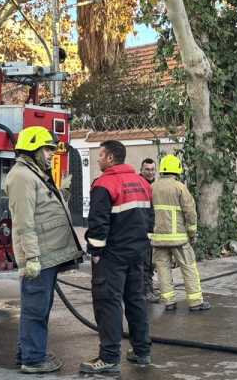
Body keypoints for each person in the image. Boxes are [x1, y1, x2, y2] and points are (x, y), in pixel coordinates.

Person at [5, 126, 83, 374]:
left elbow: (46, 206)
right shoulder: (22, 177)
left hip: (47, 255)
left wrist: (64, 192)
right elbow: (24, 222)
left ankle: (27, 352)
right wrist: (32, 258)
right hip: (39, 257)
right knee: (36, 309)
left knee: (39, 307)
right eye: (47, 149)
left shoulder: (35, 173)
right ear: (33, 149)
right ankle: (33, 359)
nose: (51, 154)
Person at [80, 140, 154, 374]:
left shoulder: (104, 184)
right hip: (137, 254)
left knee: (108, 304)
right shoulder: (142, 182)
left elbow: (98, 223)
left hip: (112, 257)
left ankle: (110, 358)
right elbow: (150, 218)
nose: (98, 159)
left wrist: (96, 253)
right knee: (136, 301)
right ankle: (142, 352)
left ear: (110, 158)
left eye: (100, 155)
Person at [150, 154, 211, 312]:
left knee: (162, 269)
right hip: (179, 239)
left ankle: (168, 302)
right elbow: (190, 212)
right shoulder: (180, 187)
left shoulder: (152, 187)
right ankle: (195, 302)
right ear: (177, 170)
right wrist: (192, 233)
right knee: (188, 268)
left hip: (158, 238)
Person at [139, 158, 160, 303]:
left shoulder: (156, 186)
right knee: (144, 263)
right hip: (142, 231)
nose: (150, 172)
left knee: (150, 263)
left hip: (153, 231)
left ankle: (147, 289)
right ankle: (145, 291)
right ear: (141, 170)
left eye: (152, 169)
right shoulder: (139, 185)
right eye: (147, 169)